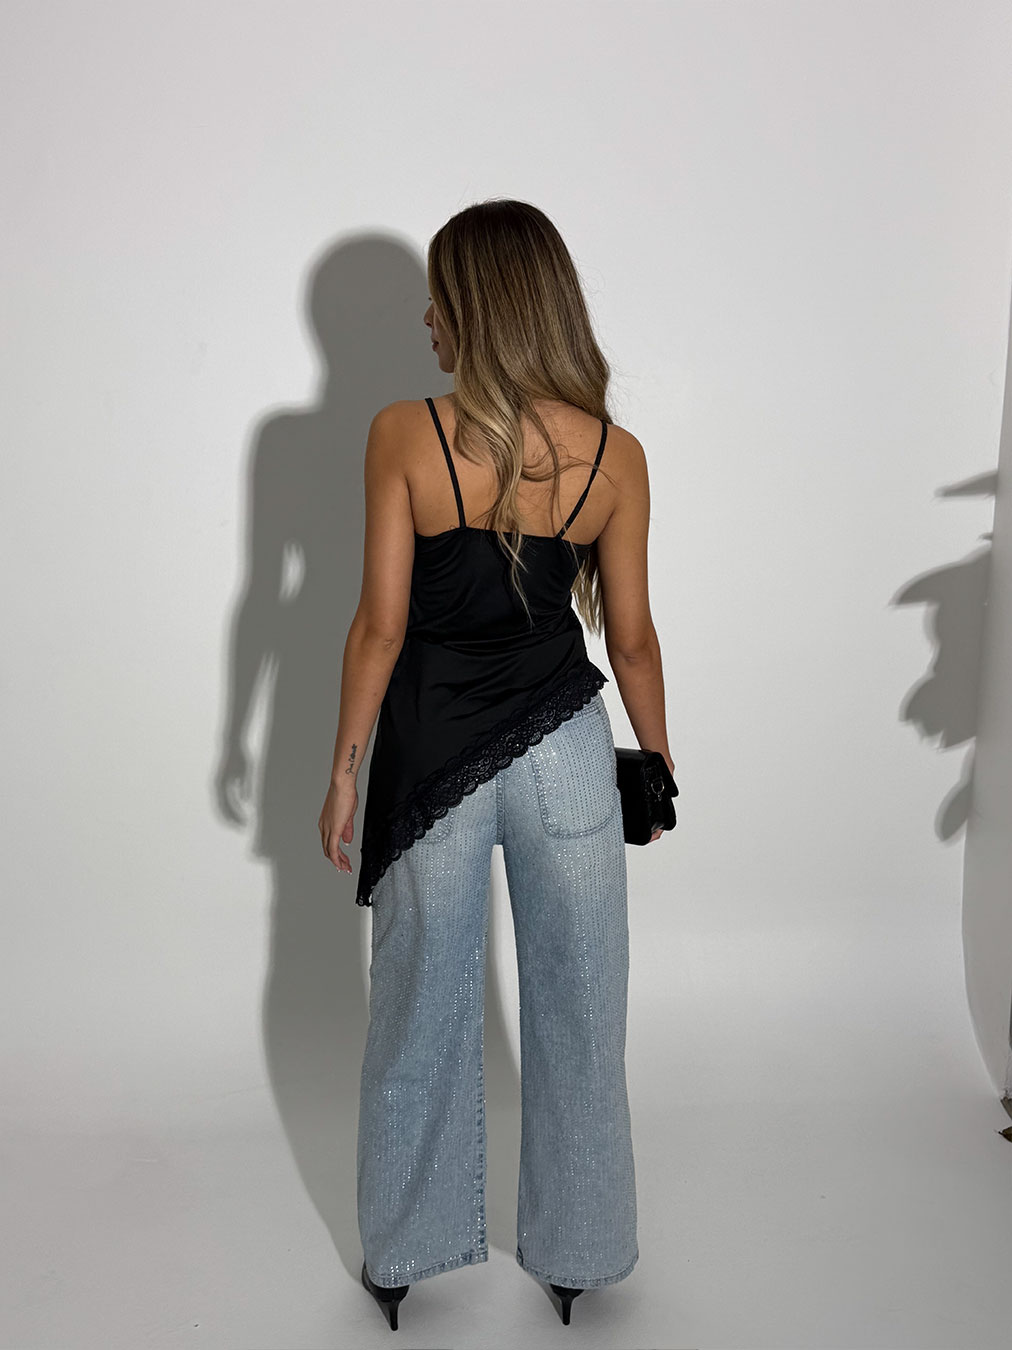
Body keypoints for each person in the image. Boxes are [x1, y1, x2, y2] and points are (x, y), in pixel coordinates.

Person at [318, 199, 674, 1331]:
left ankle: (401, 1257)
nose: (427, 318)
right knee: (584, 1007)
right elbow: (631, 639)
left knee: (417, 1010)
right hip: (567, 748)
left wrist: (344, 768)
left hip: (434, 761)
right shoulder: (613, 455)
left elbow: (379, 627)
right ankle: (579, 1254)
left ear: (476, 307)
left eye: (439, 298)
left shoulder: (403, 435)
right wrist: (657, 762)